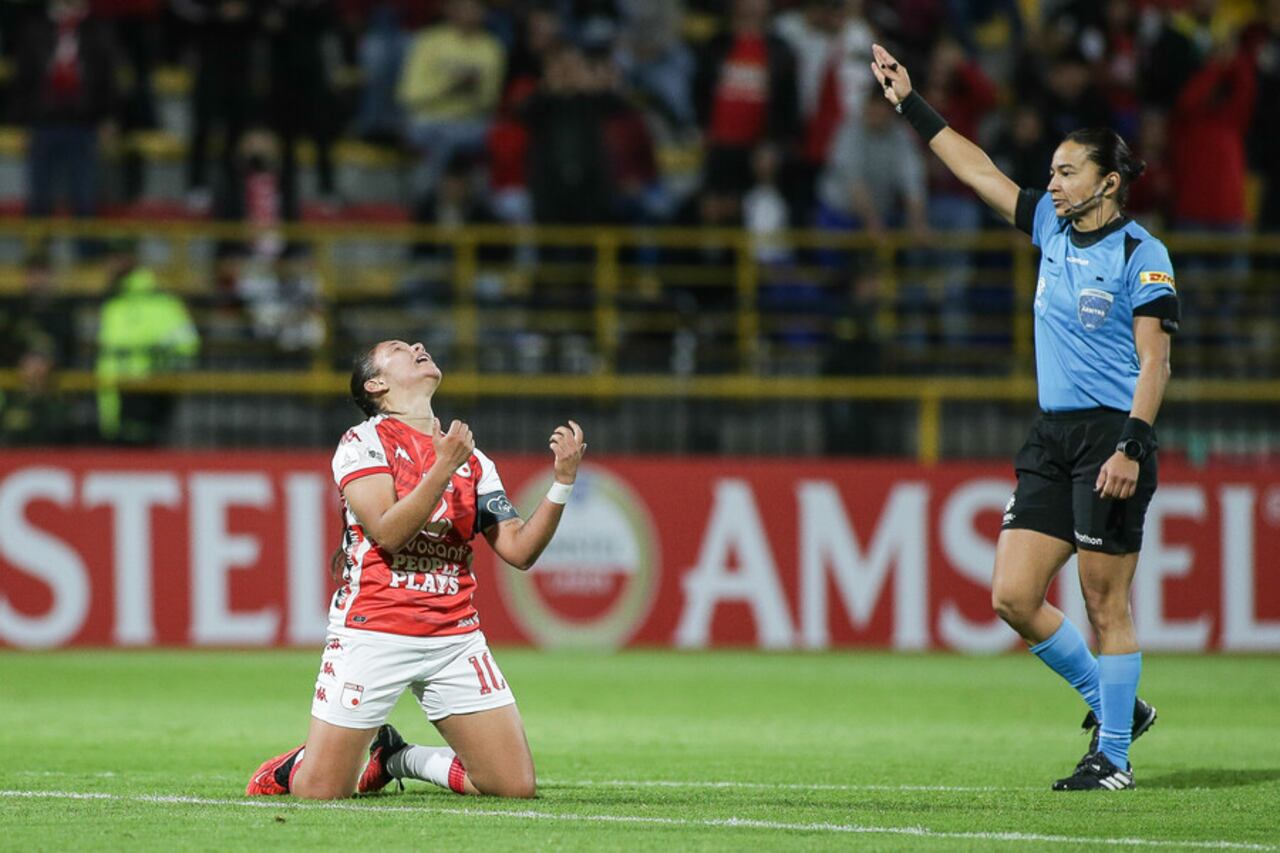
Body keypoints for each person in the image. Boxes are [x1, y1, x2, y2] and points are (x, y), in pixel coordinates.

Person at [871, 43, 1179, 791]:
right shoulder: (1048, 226)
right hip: (1052, 434)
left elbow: (1155, 361)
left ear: (1108, 182)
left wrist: (1133, 446)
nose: (1052, 182)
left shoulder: (1143, 252)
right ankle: (1117, 709)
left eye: (1067, 171)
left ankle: (1113, 758)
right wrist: (911, 103)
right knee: (1012, 595)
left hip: (1114, 434)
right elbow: (977, 169)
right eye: (1051, 172)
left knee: (1106, 601)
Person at [246, 340, 586, 799]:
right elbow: (388, 532)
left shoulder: (474, 461)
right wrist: (443, 467)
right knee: (321, 793)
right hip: (376, 629)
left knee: (512, 787)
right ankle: (296, 767)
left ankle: (395, 757)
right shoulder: (363, 442)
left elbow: (519, 550)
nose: (419, 346)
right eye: (399, 348)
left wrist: (562, 482)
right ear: (376, 383)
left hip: (453, 637)